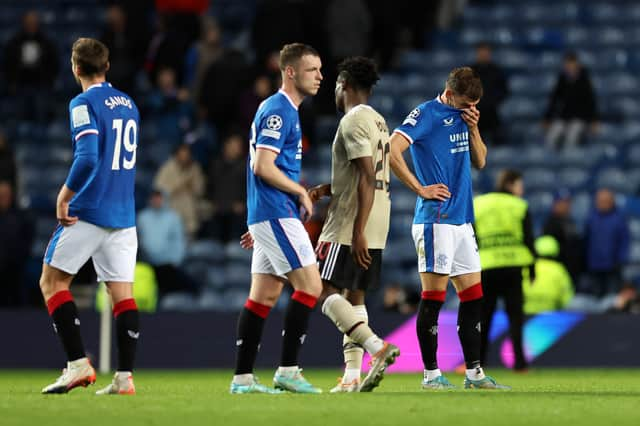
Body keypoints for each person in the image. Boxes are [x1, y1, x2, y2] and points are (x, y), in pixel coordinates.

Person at [389, 66, 509, 389]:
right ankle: (430, 376)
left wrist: (474, 129)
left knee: (474, 298)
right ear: (450, 92)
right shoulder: (426, 114)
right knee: (434, 298)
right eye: (467, 103)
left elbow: (481, 161)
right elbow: (391, 149)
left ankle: (474, 373)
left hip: (462, 221)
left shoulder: (466, 117)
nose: (472, 108)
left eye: (476, 104)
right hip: (435, 220)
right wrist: (420, 188)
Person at [39, 38, 140, 395]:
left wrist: (64, 196)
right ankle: (124, 379)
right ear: (107, 66)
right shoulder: (129, 104)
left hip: (90, 211)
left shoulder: (82, 103)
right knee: (122, 295)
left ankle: (77, 365)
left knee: (51, 282)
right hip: (125, 215)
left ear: (75, 68)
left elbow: (87, 157)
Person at [230, 43, 324, 394]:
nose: (320, 76)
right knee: (310, 286)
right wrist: (300, 191)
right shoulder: (278, 110)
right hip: (276, 213)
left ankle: (242, 379)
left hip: (269, 215)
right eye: (312, 69)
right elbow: (262, 166)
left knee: (264, 297)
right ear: (290, 72)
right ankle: (288, 370)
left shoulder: (285, 111)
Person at [308, 56, 399, 393]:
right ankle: (351, 376)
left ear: (343, 82)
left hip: (350, 223)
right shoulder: (379, 121)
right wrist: (327, 188)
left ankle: (378, 347)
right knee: (354, 294)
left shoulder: (352, 121)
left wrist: (357, 231)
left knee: (319, 287)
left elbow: (365, 175)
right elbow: (367, 174)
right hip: (379, 221)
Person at [474, 169, 536, 372]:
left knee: (484, 318)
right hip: (513, 267)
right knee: (515, 318)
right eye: (519, 185)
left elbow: (471, 236)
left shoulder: (479, 203)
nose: (521, 190)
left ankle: (478, 363)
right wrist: (532, 267)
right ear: (511, 184)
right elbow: (528, 238)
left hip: (487, 266)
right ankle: (520, 363)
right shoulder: (519, 205)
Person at [138, 189, 197, 296]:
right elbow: (139, 240)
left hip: (168, 266)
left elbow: (179, 241)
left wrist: (176, 261)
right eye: (154, 198)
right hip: (147, 266)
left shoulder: (173, 218)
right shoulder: (142, 218)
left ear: (164, 199)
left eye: (159, 197)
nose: (156, 200)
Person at [3, 10, 59, 122]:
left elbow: (53, 63)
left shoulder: (46, 43)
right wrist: (12, 81)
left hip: (40, 84)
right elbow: (8, 63)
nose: (31, 25)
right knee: (18, 118)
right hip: (20, 84)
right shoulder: (14, 42)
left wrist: (48, 80)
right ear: (24, 23)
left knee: (41, 115)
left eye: (33, 22)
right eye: (29, 22)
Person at [543, 52, 598, 149]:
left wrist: (594, 120)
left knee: (572, 135)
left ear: (576, 64)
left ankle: (569, 158)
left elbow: (591, 101)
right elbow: (554, 99)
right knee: (552, 134)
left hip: (580, 118)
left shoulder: (584, 79)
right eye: (567, 64)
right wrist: (547, 118)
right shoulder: (562, 79)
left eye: (571, 64)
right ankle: (550, 158)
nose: (569, 66)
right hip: (564, 117)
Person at [583, 188, 629, 297]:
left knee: (612, 299)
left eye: (605, 201)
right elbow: (586, 240)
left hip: (612, 267)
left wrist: (620, 260)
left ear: (611, 202)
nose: (602, 203)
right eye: (599, 201)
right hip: (594, 267)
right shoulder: (591, 218)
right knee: (594, 299)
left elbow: (624, 242)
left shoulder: (619, 220)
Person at [153, 143, 205, 237]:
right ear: (176, 155)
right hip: (171, 207)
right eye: (182, 155)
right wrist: (178, 187)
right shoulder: (167, 168)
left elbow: (200, 190)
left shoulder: (194, 168)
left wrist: (191, 187)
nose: (185, 158)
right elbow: (158, 191)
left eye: (187, 155)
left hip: (190, 209)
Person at [204, 133, 246, 243]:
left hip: (237, 213)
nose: (236, 148)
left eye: (239, 146)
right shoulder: (215, 164)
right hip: (217, 210)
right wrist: (213, 203)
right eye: (234, 145)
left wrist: (242, 203)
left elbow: (249, 191)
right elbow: (209, 188)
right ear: (226, 146)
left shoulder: (245, 166)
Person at [0, 181, 34, 306]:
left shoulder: (21, 217)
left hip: (16, 266)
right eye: (1, 196)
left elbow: (26, 241)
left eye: (6, 195)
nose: (4, 199)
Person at [523, 235, 574, 314]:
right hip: (550, 314)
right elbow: (567, 297)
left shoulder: (527, 267)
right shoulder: (558, 269)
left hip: (525, 312)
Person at [470, 42, 508, 145]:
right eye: (481, 52)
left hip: (492, 112)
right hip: (473, 112)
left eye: (486, 52)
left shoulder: (496, 72)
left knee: (498, 137)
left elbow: (504, 91)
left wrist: (492, 101)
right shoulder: (469, 72)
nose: (483, 55)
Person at [543, 189, 583, 284]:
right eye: (562, 203)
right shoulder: (550, 223)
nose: (566, 206)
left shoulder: (570, 221)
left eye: (567, 202)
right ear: (555, 204)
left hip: (572, 269)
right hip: (557, 269)